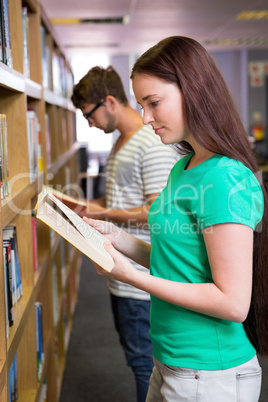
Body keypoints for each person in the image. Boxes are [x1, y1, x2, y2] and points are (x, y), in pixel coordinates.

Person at [83, 36, 268, 402]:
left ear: (195, 91)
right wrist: (116, 237)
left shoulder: (224, 177)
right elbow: (177, 261)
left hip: (210, 372)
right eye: (141, 105)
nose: (146, 118)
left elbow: (233, 303)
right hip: (171, 360)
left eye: (154, 103)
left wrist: (132, 277)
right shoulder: (183, 166)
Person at [65, 65, 179, 402]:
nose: (89, 124)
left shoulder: (150, 144)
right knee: (138, 361)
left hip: (141, 279)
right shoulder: (122, 144)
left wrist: (100, 213)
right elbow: (117, 200)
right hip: (122, 273)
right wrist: (80, 205)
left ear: (110, 102)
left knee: (145, 364)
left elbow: (154, 214)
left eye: (89, 115)